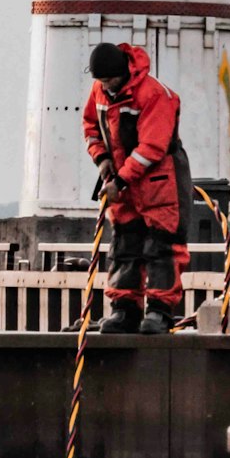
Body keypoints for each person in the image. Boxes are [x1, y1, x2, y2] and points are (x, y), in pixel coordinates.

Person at [82, 42, 192, 334]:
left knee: (162, 248)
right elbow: (91, 126)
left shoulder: (155, 95)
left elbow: (152, 148)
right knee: (124, 247)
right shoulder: (99, 92)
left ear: (123, 72)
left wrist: (120, 180)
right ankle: (125, 310)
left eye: (108, 80)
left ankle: (160, 312)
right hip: (123, 182)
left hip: (159, 182)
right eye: (100, 80)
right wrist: (102, 160)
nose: (104, 85)